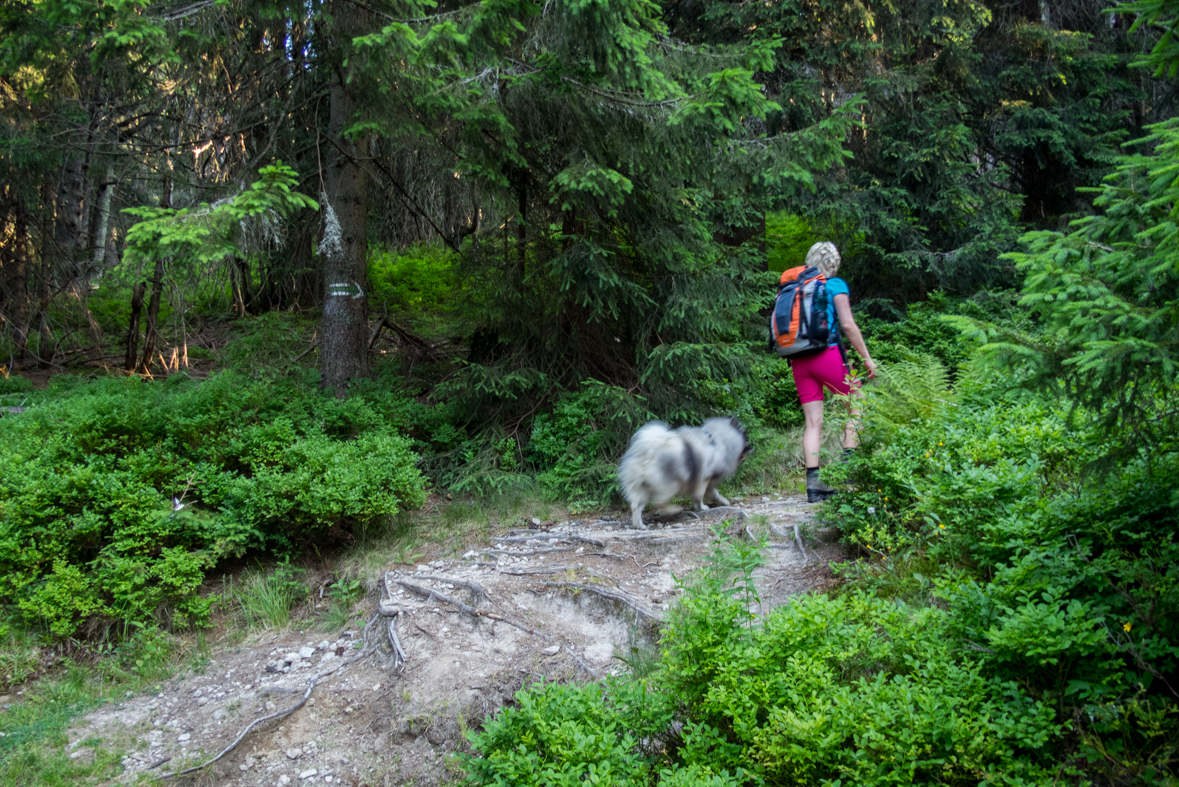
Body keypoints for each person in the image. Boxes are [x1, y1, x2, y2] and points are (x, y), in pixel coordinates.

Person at [790, 242, 877, 502]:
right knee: (858, 404)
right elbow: (848, 325)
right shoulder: (835, 284)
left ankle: (814, 487)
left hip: (798, 358)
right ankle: (847, 469)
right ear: (833, 263)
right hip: (826, 354)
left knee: (813, 423)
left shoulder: (797, 287)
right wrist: (868, 359)